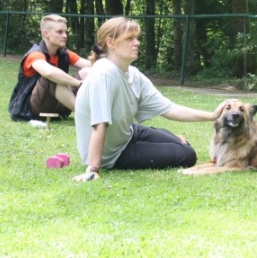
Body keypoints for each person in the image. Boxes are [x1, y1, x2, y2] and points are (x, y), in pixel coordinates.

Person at [72, 16, 230, 182]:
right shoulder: (104, 73)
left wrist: (212, 115)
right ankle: (170, 143)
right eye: (129, 38)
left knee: (182, 144)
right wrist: (93, 168)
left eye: (137, 38)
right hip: (112, 154)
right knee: (187, 155)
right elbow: (99, 124)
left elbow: (169, 109)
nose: (137, 43)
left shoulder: (132, 73)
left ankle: (173, 140)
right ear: (110, 42)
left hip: (128, 133)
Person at [8, 14, 91, 123]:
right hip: (34, 110)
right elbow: (48, 72)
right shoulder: (34, 54)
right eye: (59, 32)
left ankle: (100, 109)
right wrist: (79, 83)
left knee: (87, 72)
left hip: (60, 108)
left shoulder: (64, 53)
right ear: (45, 33)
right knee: (51, 76)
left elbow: (91, 66)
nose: (65, 35)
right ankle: (86, 114)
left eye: (66, 32)